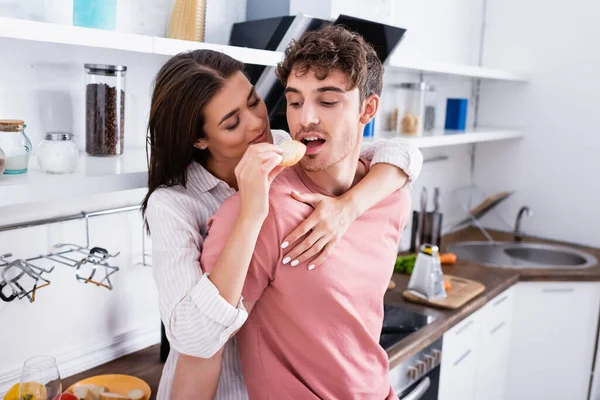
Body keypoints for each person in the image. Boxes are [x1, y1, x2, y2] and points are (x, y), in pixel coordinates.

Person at [143, 45, 422, 399]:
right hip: (223, 389)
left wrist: (347, 208)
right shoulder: (175, 205)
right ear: (199, 139)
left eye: (253, 101)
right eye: (232, 122)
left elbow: (396, 153)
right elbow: (194, 339)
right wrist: (252, 212)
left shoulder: (281, 145)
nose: (257, 123)